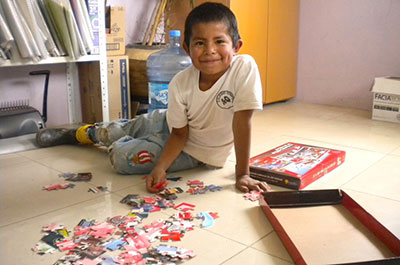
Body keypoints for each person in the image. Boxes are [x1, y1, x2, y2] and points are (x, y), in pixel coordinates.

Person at [36, 2, 270, 193]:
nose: (210, 50)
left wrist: (243, 174)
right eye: (200, 43)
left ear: (236, 46)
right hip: (172, 124)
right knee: (119, 129)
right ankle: (82, 134)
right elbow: (179, 132)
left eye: (219, 41)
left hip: (195, 153)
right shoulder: (180, 82)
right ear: (187, 49)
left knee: (121, 157)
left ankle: (118, 140)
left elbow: (242, 122)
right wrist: (161, 166)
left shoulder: (244, 68)